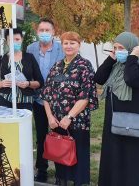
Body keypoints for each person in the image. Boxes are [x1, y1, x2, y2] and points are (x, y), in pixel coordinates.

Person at [94, 32, 139, 186]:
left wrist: (133, 57)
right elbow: (99, 78)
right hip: (114, 122)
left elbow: (131, 79)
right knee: (113, 158)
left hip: (135, 124)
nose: (116, 50)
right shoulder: (116, 65)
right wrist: (111, 58)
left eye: (120, 48)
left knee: (133, 161)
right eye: (114, 47)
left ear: (132, 48)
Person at [40, 32, 98, 186]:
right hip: (57, 122)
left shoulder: (84, 65)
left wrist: (69, 117)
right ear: (62, 45)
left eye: (73, 43)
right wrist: (50, 117)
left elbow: (85, 96)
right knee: (61, 156)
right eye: (66, 43)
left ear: (79, 45)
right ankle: (62, 182)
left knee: (78, 157)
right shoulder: (57, 66)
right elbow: (46, 94)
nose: (69, 46)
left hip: (77, 121)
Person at [26, 18, 64, 182]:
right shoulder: (31, 48)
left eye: (47, 30)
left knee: (59, 134)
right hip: (38, 99)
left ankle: (61, 172)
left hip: (57, 99)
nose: (44, 33)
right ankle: (41, 170)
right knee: (41, 135)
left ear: (53, 32)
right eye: (41, 30)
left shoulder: (62, 49)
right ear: (37, 32)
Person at [0, 27, 43, 110]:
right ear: (6, 42)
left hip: (25, 103)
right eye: (10, 40)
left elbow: (40, 82)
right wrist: (1, 84)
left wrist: (28, 84)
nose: (14, 42)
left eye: (17, 39)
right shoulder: (1, 59)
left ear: (22, 39)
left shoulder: (30, 58)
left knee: (22, 123)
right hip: (4, 101)